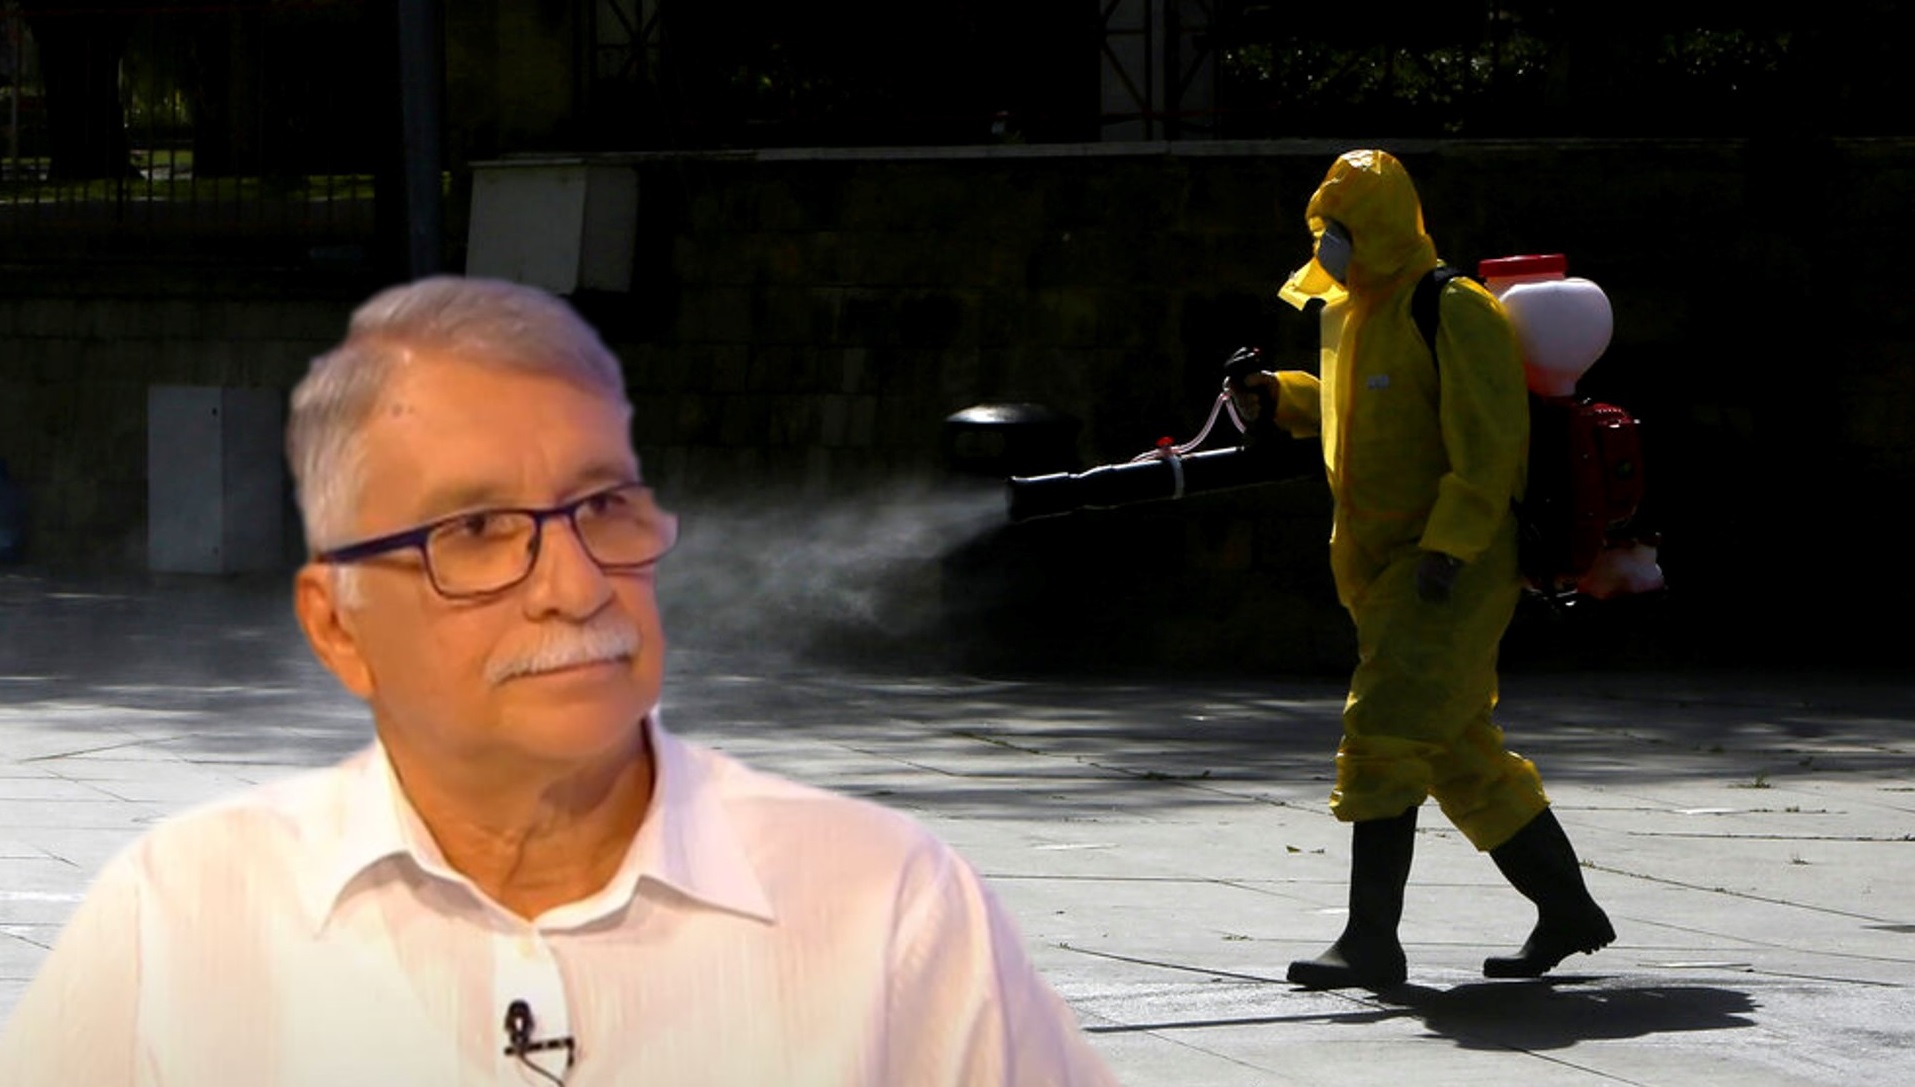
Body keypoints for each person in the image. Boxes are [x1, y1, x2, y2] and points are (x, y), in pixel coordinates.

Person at [0, 276, 1120, 1086]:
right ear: (337, 628)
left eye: (604, 508)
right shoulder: (176, 918)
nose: (575, 585)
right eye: (476, 532)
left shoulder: (893, 909)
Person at [1229, 149, 1614, 991]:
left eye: (1341, 226)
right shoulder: (1355, 314)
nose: (1327, 243)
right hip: (1383, 569)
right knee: (1457, 751)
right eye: (1322, 225)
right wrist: (1280, 396)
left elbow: (1490, 446)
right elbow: (1355, 410)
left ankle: (1370, 939)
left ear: (1381, 224)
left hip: (1448, 564)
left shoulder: (1451, 307)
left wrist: (1448, 549)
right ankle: (1568, 909)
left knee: (1382, 731)